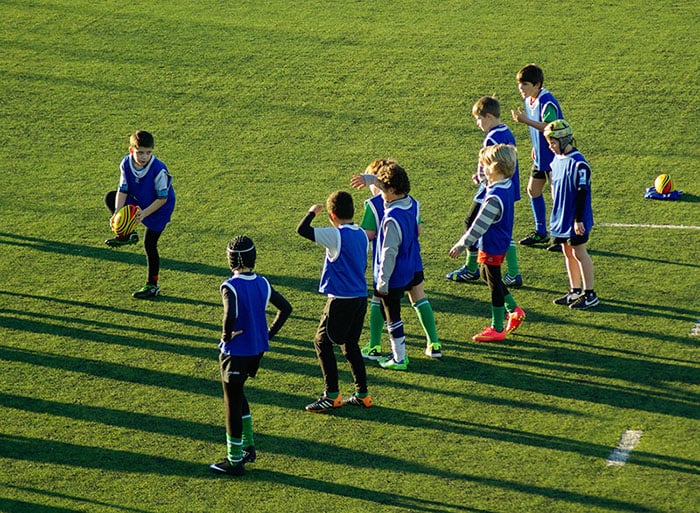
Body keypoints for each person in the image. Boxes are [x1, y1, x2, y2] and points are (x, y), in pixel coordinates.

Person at [210, 236, 292, 476]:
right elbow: (285, 308)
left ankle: (235, 460)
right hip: (256, 351)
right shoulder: (264, 283)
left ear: (230, 259)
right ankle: (248, 447)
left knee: (231, 402)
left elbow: (230, 314)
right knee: (239, 393)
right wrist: (268, 334)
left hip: (236, 352)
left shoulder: (230, 285)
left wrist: (226, 335)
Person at [356, 159, 441, 360]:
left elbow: (368, 234)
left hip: (388, 265)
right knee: (419, 297)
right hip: (413, 260)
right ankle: (434, 343)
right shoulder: (411, 201)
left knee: (379, 301)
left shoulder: (374, 206)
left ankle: (375, 346)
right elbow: (418, 230)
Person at [296, 191, 373, 412]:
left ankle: (331, 395)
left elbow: (302, 230)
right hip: (360, 298)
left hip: (340, 300)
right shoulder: (361, 234)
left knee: (322, 342)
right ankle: (362, 394)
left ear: (332, 214)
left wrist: (312, 212)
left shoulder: (335, 235)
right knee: (350, 345)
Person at [350, 162, 424, 370]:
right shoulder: (411, 204)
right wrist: (371, 180)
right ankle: (396, 354)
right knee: (393, 314)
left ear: (392, 191)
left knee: (393, 318)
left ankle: (399, 358)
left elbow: (388, 252)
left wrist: (382, 281)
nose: (380, 193)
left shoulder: (391, 218)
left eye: (382, 189)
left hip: (393, 275)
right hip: (410, 268)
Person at [449, 144, 526, 342]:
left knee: (492, 282)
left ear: (496, 168)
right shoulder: (506, 184)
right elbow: (490, 183)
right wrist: (482, 179)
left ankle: (497, 327)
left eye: (485, 165)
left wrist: (461, 244)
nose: (482, 167)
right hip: (501, 240)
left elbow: (478, 226)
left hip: (492, 244)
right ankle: (514, 309)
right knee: (485, 274)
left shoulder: (493, 199)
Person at [447, 96, 523, 287]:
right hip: (508, 185)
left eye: (478, 119)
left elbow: (488, 164)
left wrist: (482, 178)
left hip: (492, 188)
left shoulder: (491, 137)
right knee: (503, 230)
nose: (477, 123)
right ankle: (513, 272)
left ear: (488, 116)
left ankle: (471, 268)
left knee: (471, 221)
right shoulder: (507, 131)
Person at [104, 130, 176, 298]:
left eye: (148, 152)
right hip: (140, 202)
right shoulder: (126, 164)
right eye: (140, 152)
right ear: (131, 151)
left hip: (159, 209)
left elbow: (162, 199)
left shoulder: (158, 169)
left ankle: (152, 286)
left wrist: (143, 214)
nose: (144, 156)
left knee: (150, 245)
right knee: (111, 197)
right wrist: (116, 214)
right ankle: (127, 234)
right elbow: (123, 190)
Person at [543, 120, 599, 310]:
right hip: (561, 216)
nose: (550, 146)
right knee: (567, 252)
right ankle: (575, 290)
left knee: (579, 251)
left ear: (564, 139)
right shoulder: (556, 160)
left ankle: (589, 293)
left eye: (553, 142)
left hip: (576, 218)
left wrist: (578, 219)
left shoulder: (579, 164)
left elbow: (582, 192)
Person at [511, 64, 563, 251]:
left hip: (555, 155)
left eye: (525, 84)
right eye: (519, 84)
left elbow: (550, 126)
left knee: (557, 196)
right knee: (533, 190)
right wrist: (535, 147)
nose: (521, 88)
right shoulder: (529, 100)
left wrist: (525, 120)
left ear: (537, 84)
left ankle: (561, 237)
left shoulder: (546, 101)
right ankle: (541, 232)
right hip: (541, 155)